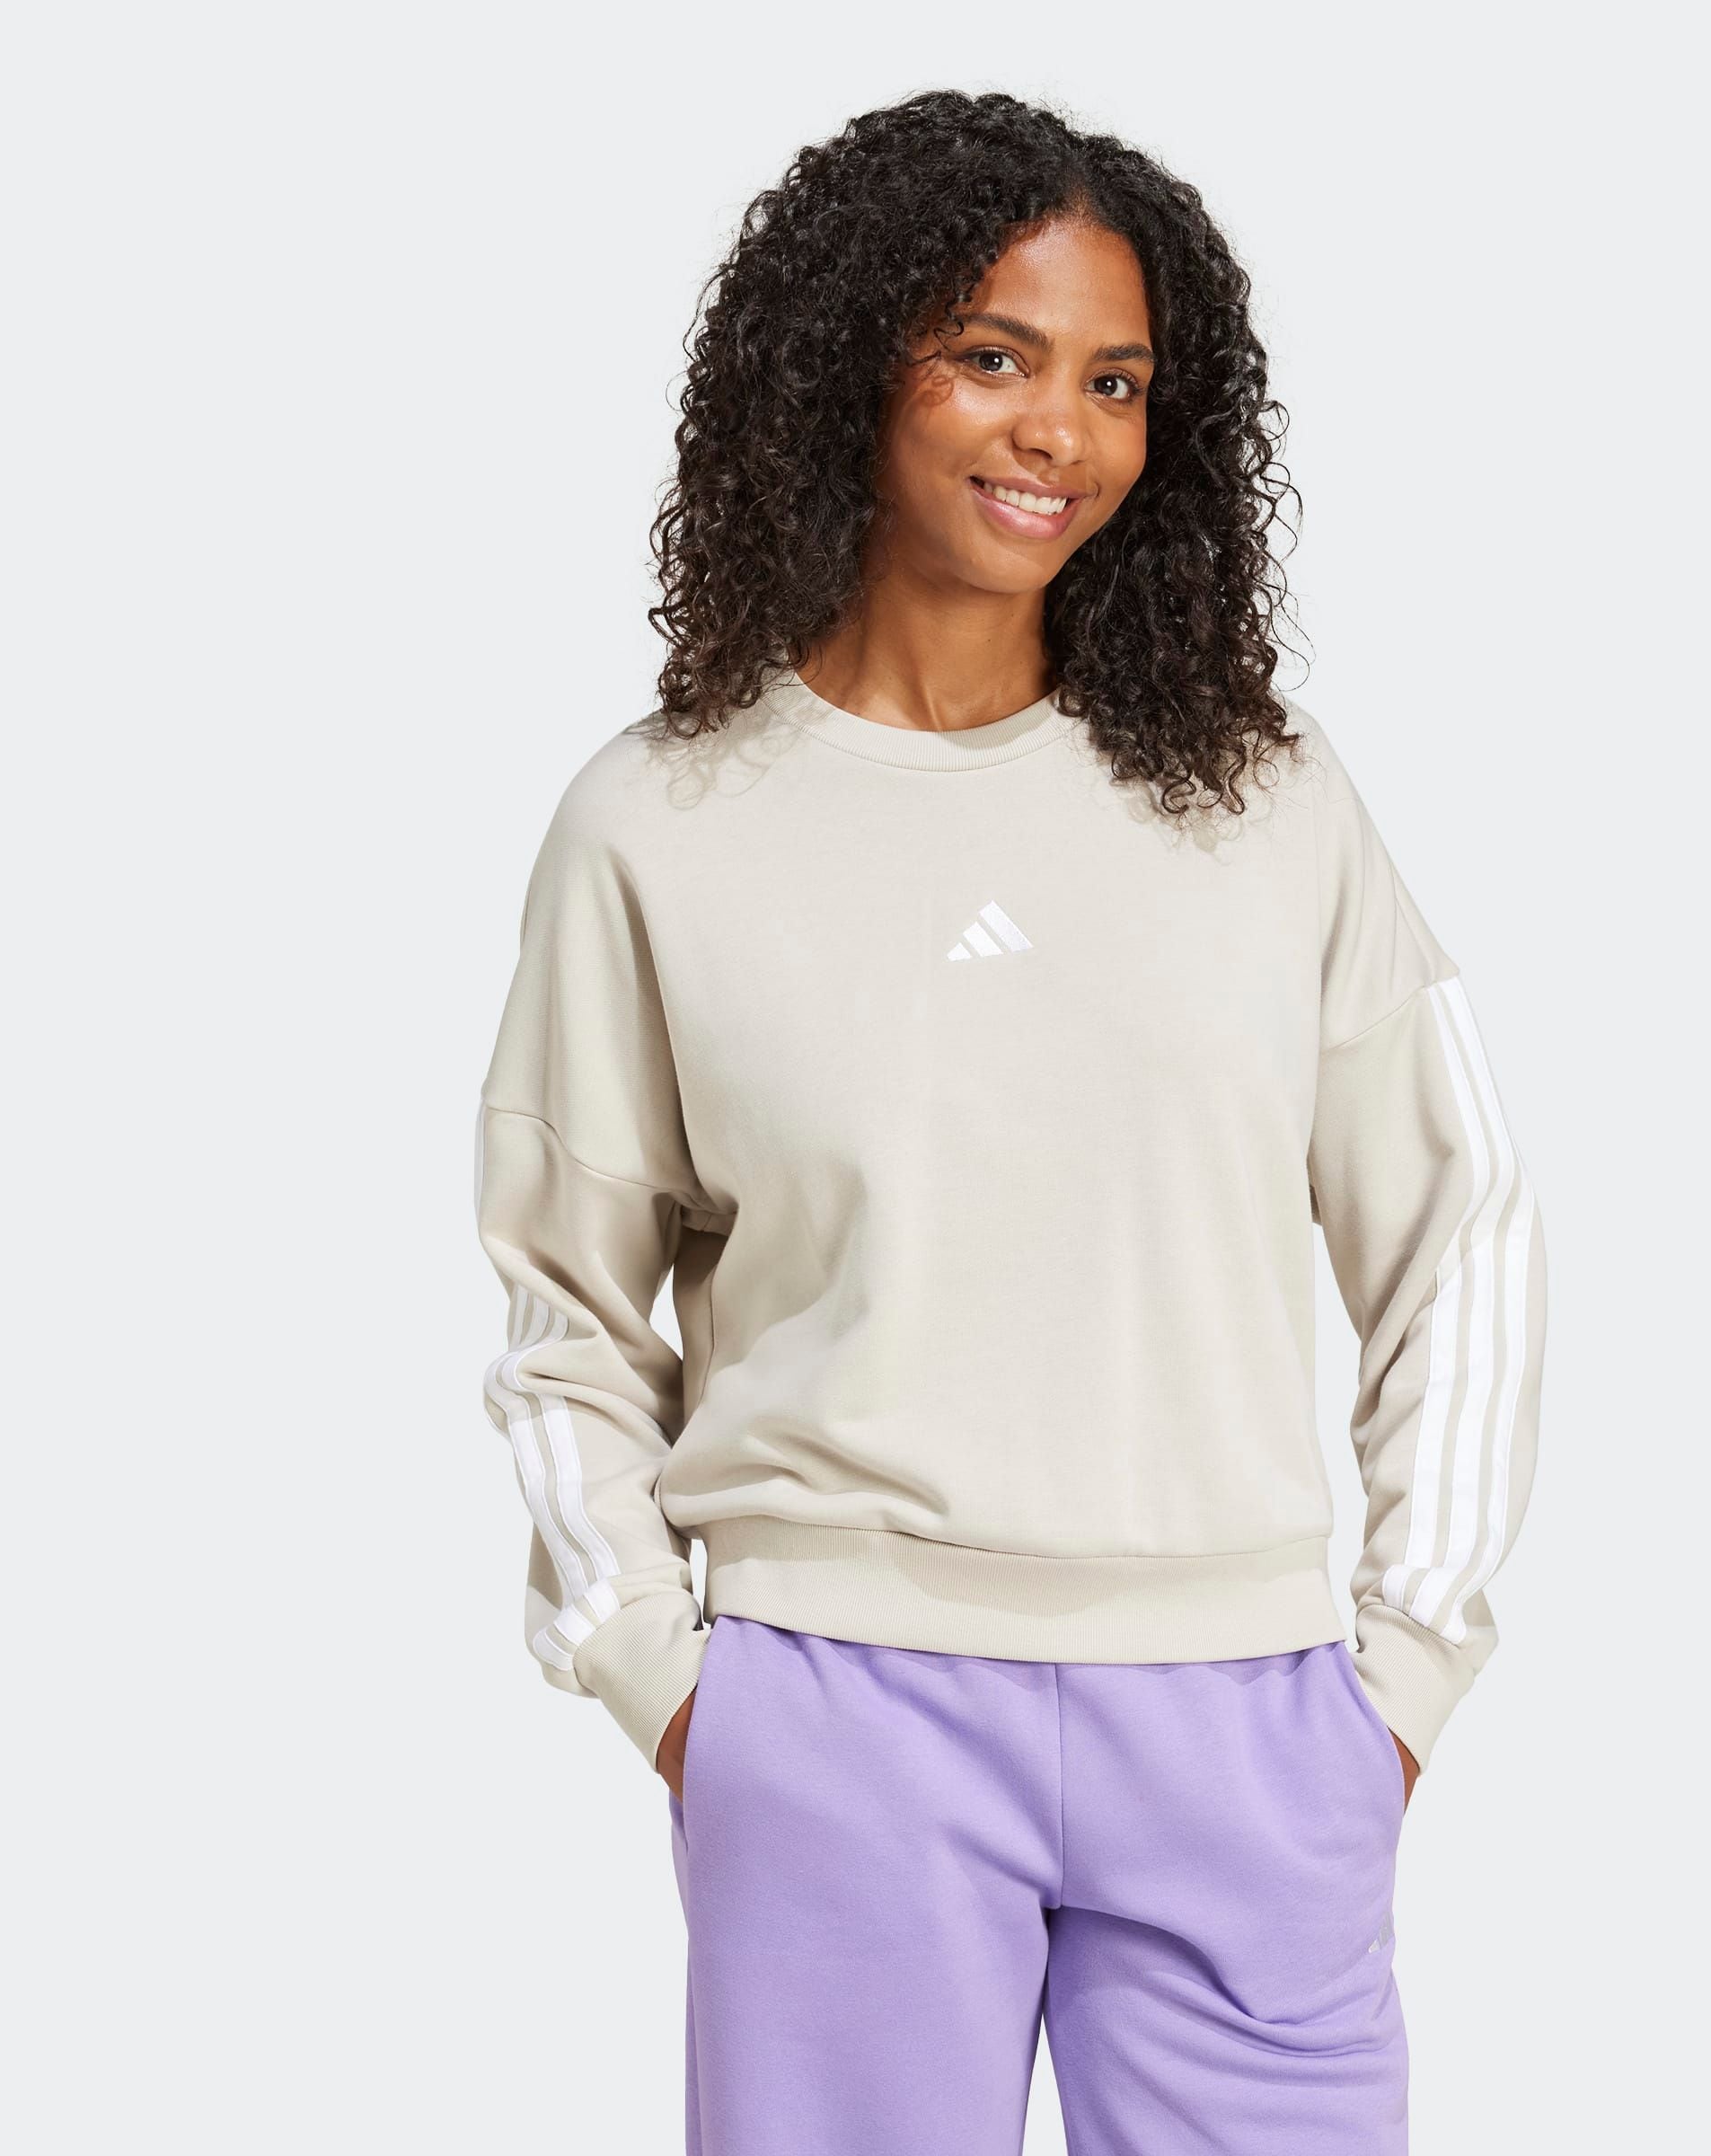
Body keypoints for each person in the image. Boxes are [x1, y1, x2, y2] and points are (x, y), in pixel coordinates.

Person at [473, 87, 1548, 2155]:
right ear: (849, 362)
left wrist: (1406, 1673)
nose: (1061, 429)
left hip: (1249, 1728)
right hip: (835, 1719)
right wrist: (662, 1680)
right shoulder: (654, 824)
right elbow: (561, 1300)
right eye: (994, 355)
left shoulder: (1267, 800)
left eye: (1115, 381)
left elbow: (1460, 1220)